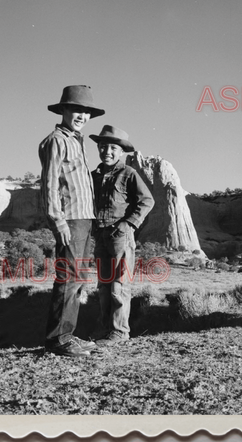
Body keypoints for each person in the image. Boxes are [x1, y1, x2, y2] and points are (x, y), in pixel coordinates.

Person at [39, 85, 104, 357]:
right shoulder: (57, 140)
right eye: (76, 109)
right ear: (64, 110)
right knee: (69, 277)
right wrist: (58, 221)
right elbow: (50, 183)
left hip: (85, 219)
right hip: (71, 219)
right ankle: (59, 340)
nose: (81, 115)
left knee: (77, 278)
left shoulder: (76, 140)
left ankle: (67, 335)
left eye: (86, 111)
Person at [90, 125, 154, 346]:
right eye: (103, 146)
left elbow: (147, 201)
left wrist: (129, 224)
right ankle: (107, 330)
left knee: (119, 284)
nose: (107, 151)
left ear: (121, 151)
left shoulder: (129, 173)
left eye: (113, 148)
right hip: (100, 235)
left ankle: (120, 332)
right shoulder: (94, 176)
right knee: (104, 285)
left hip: (120, 236)